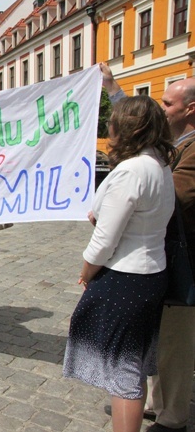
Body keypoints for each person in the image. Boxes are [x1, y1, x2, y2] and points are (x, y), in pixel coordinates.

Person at [63, 96, 176, 432]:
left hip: (125, 276)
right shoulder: (159, 164)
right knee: (133, 366)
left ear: (124, 128)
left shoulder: (131, 171)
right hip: (151, 272)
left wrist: (85, 271)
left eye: (112, 122)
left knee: (122, 371)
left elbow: (104, 241)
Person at [101, 64, 195, 432]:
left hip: (185, 262)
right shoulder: (172, 146)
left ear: (189, 108)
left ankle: (174, 418)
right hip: (165, 257)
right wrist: (112, 89)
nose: (162, 107)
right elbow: (138, 123)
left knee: (175, 342)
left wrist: (126, 195)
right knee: (159, 338)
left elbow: (174, 193)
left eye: (168, 103)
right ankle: (156, 403)